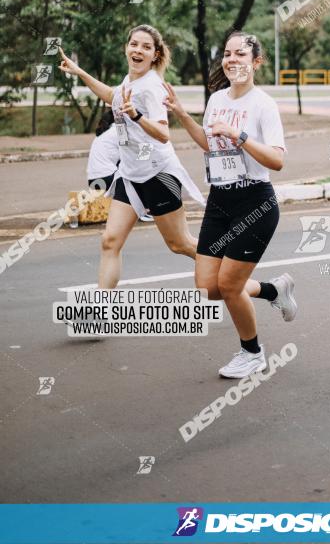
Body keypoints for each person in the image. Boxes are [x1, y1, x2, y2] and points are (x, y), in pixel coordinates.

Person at [163, 30, 297, 379]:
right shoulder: (217, 99)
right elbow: (209, 145)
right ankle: (272, 290)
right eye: (227, 54)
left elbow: (277, 161)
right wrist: (181, 114)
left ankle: (252, 353)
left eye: (241, 54)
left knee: (230, 286)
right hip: (220, 201)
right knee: (209, 288)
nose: (232, 60)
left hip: (255, 202)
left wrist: (238, 135)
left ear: (256, 62)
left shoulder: (263, 104)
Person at [58, 25, 204, 289]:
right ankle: (101, 312)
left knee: (179, 244)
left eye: (146, 47)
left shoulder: (152, 87)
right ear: (127, 47)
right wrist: (80, 73)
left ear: (155, 55)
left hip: (158, 173)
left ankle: (233, 273)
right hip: (130, 174)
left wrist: (136, 116)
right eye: (134, 44)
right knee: (110, 241)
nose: (138, 50)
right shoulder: (130, 82)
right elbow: (112, 96)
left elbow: (163, 133)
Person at [87, 108, 153, 222]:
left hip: (94, 181)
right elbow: (140, 154)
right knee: (142, 173)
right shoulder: (119, 130)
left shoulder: (105, 133)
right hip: (107, 178)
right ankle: (143, 211)